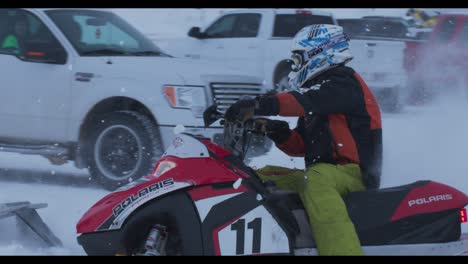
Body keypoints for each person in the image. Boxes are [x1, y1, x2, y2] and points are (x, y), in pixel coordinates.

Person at [225, 24, 383, 255]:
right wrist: (275, 130)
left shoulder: (344, 83)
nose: (295, 66)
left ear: (318, 52)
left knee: (316, 180)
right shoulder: (318, 92)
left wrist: (260, 104)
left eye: (297, 59)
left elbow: (304, 100)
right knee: (257, 176)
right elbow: (301, 146)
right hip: (324, 172)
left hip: (355, 174)